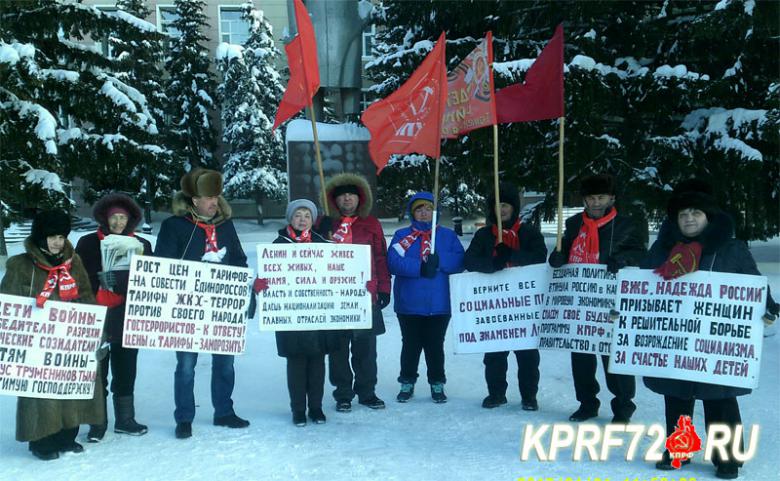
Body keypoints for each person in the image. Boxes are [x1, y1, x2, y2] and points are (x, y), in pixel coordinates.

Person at [642, 179, 778, 479]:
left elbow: (752, 283)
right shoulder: (664, 249)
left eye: (696, 212)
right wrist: (623, 307)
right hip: (674, 338)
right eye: (683, 214)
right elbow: (642, 284)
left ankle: (727, 457)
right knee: (676, 396)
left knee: (720, 399)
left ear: (708, 216)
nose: (689, 218)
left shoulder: (731, 248)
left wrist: (767, 306)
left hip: (715, 342)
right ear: (675, 220)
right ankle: (679, 448)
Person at [0, 210, 105, 460]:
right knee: (41, 391)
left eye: (61, 236)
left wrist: (92, 329)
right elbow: (7, 307)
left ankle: (67, 436)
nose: (58, 242)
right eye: (52, 237)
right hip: (35, 342)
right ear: (40, 237)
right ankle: (41, 440)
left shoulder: (74, 263)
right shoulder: (20, 265)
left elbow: (86, 297)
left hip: (69, 338)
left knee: (69, 384)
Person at [155, 168, 250, 439]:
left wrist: (243, 284)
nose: (215, 202)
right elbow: (164, 265)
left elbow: (240, 260)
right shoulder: (174, 226)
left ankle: (224, 412)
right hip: (188, 307)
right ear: (194, 200)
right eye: (209, 197)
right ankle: (184, 417)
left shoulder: (226, 226)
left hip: (222, 309)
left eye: (217, 197)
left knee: (225, 364)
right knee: (186, 366)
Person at [548, 173, 646, 423]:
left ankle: (623, 406)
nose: (595, 202)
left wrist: (623, 260)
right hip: (579, 301)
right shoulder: (572, 225)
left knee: (613, 357)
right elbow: (562, 251)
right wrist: (557, 259)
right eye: (591, 198)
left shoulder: (626, 225)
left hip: (611, 301)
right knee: (581, 357)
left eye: (601, 197)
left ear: (611, 198)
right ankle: (587, 403)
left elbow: (642, 254)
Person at [75, 193, 152, 441]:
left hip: (129, 317)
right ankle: (97, 423)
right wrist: (96, 280)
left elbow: (151, 281)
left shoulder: (142, 244)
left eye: (123, 217)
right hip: (96, 317)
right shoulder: (87, 243)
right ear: (105, 219)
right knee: (97, 372)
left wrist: (120, 281)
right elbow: (76, 278)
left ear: (130, 219)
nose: (118, 222)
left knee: (126, 369)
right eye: (113, 217)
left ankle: (125, 420)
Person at [464, 183, 547, 410]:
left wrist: (512, 254)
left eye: (505, 205)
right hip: (494, 307)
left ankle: (529, 396)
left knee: (528, 356)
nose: (501, 210)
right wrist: (493, 264)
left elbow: (540, 258)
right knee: (494, 355)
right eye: (496, 205)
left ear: (514, 207)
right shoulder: (484, 234)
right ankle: (496, 393)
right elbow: (469, 261)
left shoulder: (528, 233)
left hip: (524, 306)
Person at [272, 199, 347, 426]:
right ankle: (297, 410)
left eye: (307, 215)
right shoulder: (278, 245)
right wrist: (263, 284)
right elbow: (271, 275)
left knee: (317, 364)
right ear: (290, 218)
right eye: (298, 215)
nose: (302, 219)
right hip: (291, 316)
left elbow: (338, 275)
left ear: (313, 220)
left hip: (318, 316)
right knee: (296, 365)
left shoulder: (323, 244)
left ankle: (315, 408)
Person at [320, 173, 391, 412]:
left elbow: (380, 257)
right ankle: (343, 393)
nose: (347, 199)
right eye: (342, 196)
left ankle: (367, 391)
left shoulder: (371, 224)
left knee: (366, 349)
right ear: (335, 200)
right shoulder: (324, 224)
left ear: (360, 199)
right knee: (338, 349)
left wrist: (383, 287)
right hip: (335, 298)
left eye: (351, 195)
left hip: (364, 296)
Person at [387, 192, 464, 403]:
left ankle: (437, 383)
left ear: (434, 212)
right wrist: (420, 267)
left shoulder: (447, 236)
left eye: (428, 209)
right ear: (413, 213)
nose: (424, 213)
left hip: (439, 303)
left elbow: (460, 261)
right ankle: (407, 381)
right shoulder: (402, 235)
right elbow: (392, 262)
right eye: (419, 209)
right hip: (409, 302)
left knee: (435, 344)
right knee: (410, 344)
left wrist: (439, 261)